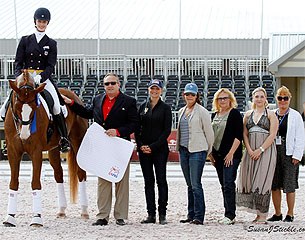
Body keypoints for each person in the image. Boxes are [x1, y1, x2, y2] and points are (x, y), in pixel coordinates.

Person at [62, 73, 138, 226]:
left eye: (112, 83)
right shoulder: (98, 99)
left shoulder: (129, 102)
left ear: (118, 84)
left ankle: (120, 215)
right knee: (103, 180)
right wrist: (71, 103)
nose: (109, 86)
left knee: (121, 181)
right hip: (103, 147)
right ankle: (102, 215)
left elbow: (134, 124)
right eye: (106, 84)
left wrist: (117, 131)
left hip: (119, 146)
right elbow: (87, 113)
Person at [0, 7, 70, 153]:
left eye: (44, 21)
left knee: (56, 106)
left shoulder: (51, 43)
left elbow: (51, 65)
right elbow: (18, 62)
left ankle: (63, 138)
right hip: (25, 78)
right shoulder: (25, 40)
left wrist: (41, 77)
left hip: (42, 78)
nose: (42, 24)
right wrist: (21, 77)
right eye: (40, 21)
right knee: (4, 108)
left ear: (47, 23)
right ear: (35, 22)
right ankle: (9, 141)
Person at [236, 87, 278, 224]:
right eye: (256, 96)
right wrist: (249, 149)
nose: (259, 99)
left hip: (266, 151)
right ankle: (257, 214)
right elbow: (244, 134)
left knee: (263, 180)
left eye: (261, 96)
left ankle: (263, 215)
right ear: (252, 98)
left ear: (266, 98)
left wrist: (260, 150)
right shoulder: (247, 114)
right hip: (250, 152)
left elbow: (272, 135)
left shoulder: (271, 114)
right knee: (251, 180)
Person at [135, 79, 172, 225]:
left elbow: (166, 131)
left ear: (161, 91)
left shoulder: (165, 108)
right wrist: (141, 145)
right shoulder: (143, 107)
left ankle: (162, 213)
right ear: (149, 90)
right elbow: (137, 128)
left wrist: (153, 146)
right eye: (152, 88)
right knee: (148, 182)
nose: (154, 91)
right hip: (144, 150)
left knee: (161, 181)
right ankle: (151, 214)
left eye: (157, 89)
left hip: (160, 150)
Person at [176, 83, 214, 225]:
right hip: (184, 150)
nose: (189, 96)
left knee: (196, 184)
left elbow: (209, 134)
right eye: (187, 94)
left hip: (197, 151)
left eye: (192, 94)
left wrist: (207, 151)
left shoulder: (202, 111)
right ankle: (190, 214)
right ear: (184, 95)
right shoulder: (181, 111)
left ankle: (199, 215)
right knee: (189, 184)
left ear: (197, 96)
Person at [267, 86, 305, 222]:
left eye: (285, 98)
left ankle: (290, 213)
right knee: (274, 183)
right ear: (276, 99)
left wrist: (297, 155)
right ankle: (277, 213)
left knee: (289, 184)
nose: (283, 101)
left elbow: (301, 137)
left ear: (289, 99)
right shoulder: (271, 114)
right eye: (280, 98)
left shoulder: (295, 116)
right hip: (273, 151)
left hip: (289, 152)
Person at [209, 88, 243, 225]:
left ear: (230, 99)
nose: (222, 101)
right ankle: (227, 212)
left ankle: (230, 214)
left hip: (231, 155)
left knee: (229, 183)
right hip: (217, 155)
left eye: (225, 98)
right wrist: (210, 154)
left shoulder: (234, 114)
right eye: (220, 98)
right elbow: (211, 136)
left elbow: (238, 136)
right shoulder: (214, 115)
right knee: (223, 184)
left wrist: (230, 154)